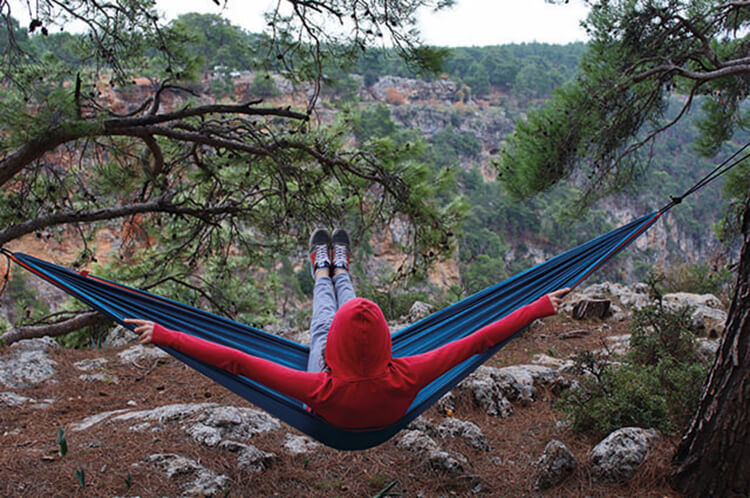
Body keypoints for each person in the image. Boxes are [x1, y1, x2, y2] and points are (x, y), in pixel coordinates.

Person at [125, 228, 569, 430]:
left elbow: (237, 362)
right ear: (387, 345)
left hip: (334, 409)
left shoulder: (318, 385)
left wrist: (165, 334)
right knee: (352, 310)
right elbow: (479, 339)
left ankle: (325, 273)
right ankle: (339, 271)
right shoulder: (410, 372)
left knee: (322, 325)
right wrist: (538, 306)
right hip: (388, 407)